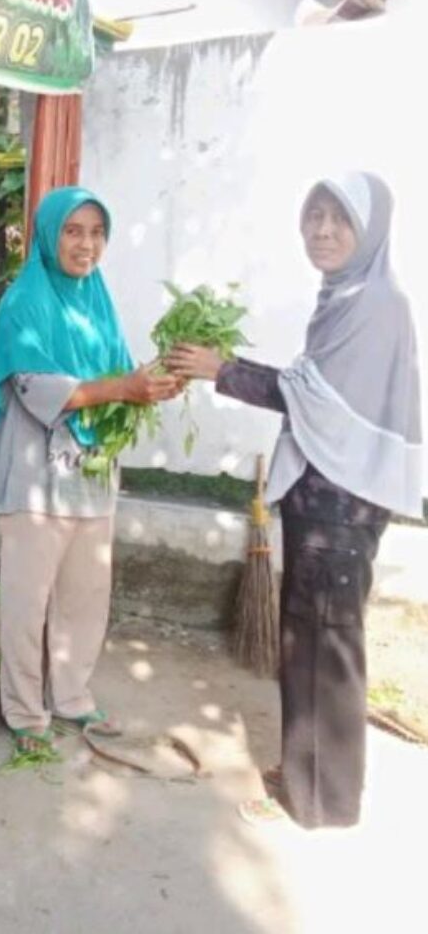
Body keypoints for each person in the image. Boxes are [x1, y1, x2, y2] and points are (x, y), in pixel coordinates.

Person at [166, 171, 423, 828]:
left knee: (326, 649)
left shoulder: (374, 306)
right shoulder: (345, 298)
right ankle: (312, 783)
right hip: (327, 503)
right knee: (310, 643)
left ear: (369, 231)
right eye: (314, 216)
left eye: (339, 219)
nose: (323, 231)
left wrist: (220, 369)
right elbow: (316, 392)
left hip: (340, 509)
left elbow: (310, 397)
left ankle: (320, 804)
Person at [0, 185, 180, 757]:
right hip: (35, 480)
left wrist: (158, 380)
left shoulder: (97, 299)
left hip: (91, 473)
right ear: (49, 235)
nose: (86, 244)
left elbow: (120, 371)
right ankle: (24, 710)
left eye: (96, 233)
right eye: (73, 231)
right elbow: (36, 387)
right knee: (26, 602)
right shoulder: (24, 304)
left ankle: (71, 695)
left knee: (84, 595)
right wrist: (124, 386)